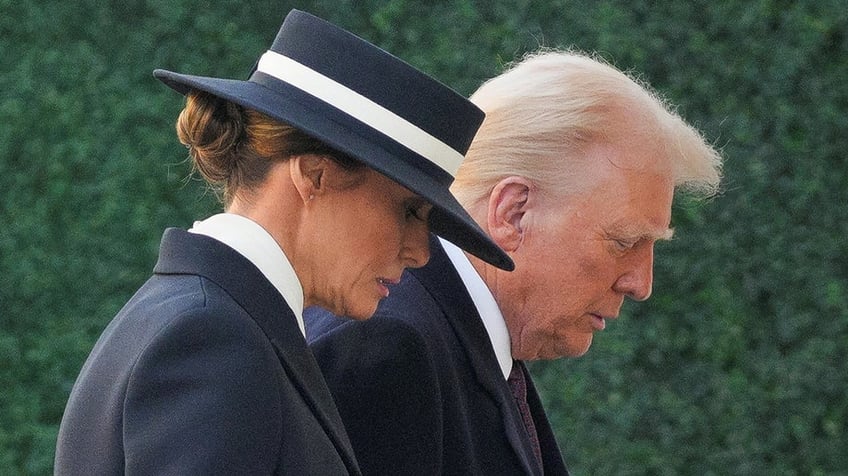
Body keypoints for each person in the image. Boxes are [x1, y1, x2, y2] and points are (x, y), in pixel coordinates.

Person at [54, 9, 513, 475]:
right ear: (315, 175)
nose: (421, 250)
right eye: (410, 211)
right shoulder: (214, 339)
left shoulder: (215, 320)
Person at [305, 49, 723, 475]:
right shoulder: (389, 351)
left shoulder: (458, 342)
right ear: (513, 212)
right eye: (623, 241)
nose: (642, 283)